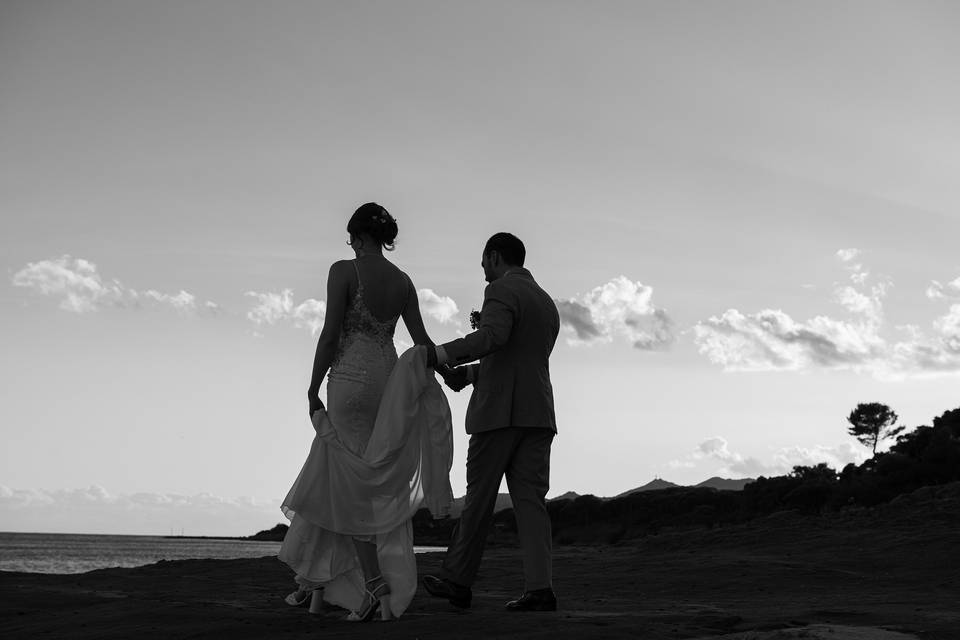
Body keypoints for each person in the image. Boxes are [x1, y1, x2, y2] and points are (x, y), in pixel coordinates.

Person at [278, 203, 453, 622]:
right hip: (385, 385)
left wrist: (312, 385)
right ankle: (316, 585)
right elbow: (423, 342)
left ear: (357, 236)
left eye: (351, 238)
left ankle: (371, 584)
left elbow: (329, 334)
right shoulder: (403, 281)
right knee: (343, 475)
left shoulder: (343, 271)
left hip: (349, 381)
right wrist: (450, 373)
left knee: (343, 480)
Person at [423, 232, 561, 612]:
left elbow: (494, 337)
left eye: (484, 261)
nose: (482, 270)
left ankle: (457, 581)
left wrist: (440, 353)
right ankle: (540, 588)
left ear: (495, 256)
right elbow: (516, 359)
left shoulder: (501, 291)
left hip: (499, 416)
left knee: (478, 502)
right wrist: (467, 376)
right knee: (532, 503)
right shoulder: (547, 303)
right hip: (538, 414)